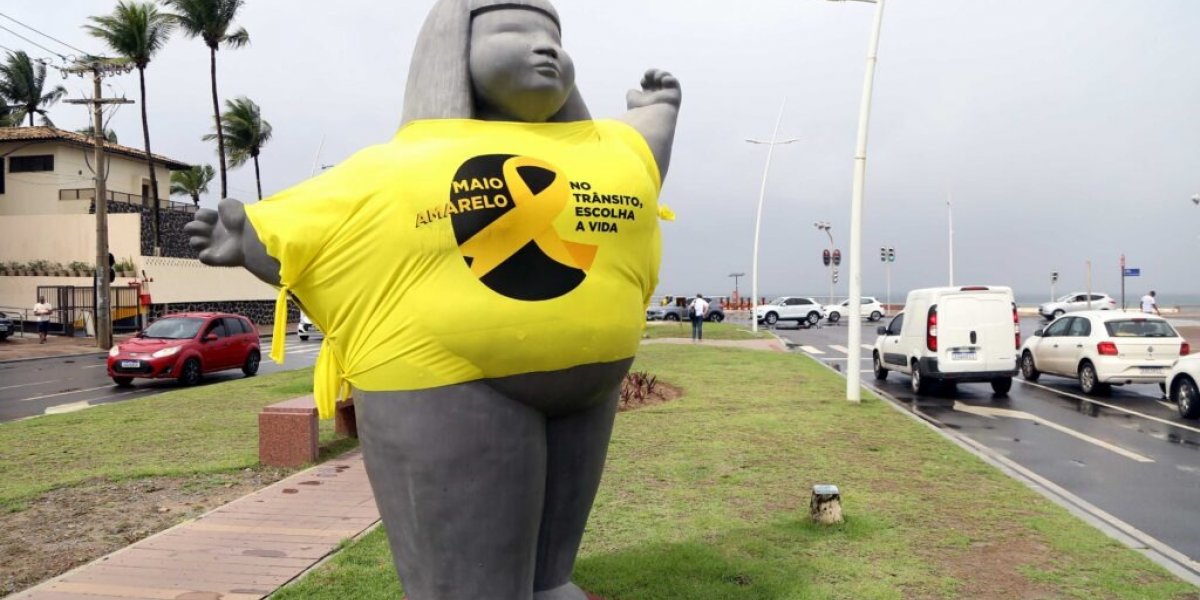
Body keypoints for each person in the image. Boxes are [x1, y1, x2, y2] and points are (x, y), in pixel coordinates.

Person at [183, 2, 681, 598]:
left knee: (552, 568)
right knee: (470, 583)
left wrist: (658, 112)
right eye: (515, 32)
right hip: (453, 384)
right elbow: (321, 221)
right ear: (452, 52)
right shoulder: (405, 161)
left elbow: (643, 159)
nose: (546, 49)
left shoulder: (603, 151)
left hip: (589, 386)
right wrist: (246, 236)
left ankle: (550, 584)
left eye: (554, 38)